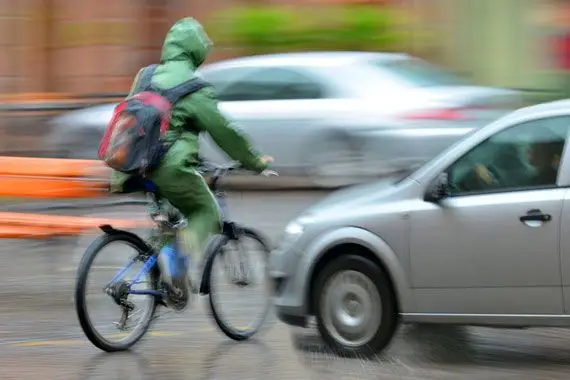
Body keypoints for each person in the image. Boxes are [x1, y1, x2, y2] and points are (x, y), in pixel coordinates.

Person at [109, 17, 273, 284]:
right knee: (207, 212)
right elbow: (224, 132)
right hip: (169, 168)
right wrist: (255, 162)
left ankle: (172, 279)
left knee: (171, 214)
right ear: (197, 50)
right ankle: (177, 267)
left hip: (132, 166)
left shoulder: (145, 75)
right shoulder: (196, 87)